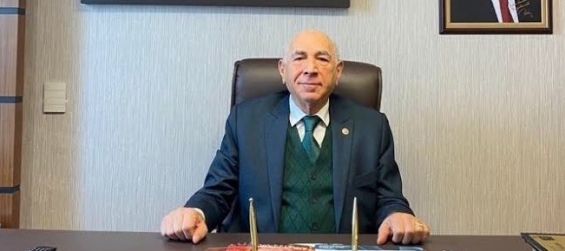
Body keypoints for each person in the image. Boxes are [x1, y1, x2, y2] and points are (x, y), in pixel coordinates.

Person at [160, 30, 430, 245]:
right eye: (299, 58)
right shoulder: (246, 121)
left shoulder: (371, 126)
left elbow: (389, 198)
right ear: (282, 70)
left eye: (322, 59)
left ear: (338, 72)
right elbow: (218, 190)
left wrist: (397, 216)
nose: (310, 68)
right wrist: (195, 212)